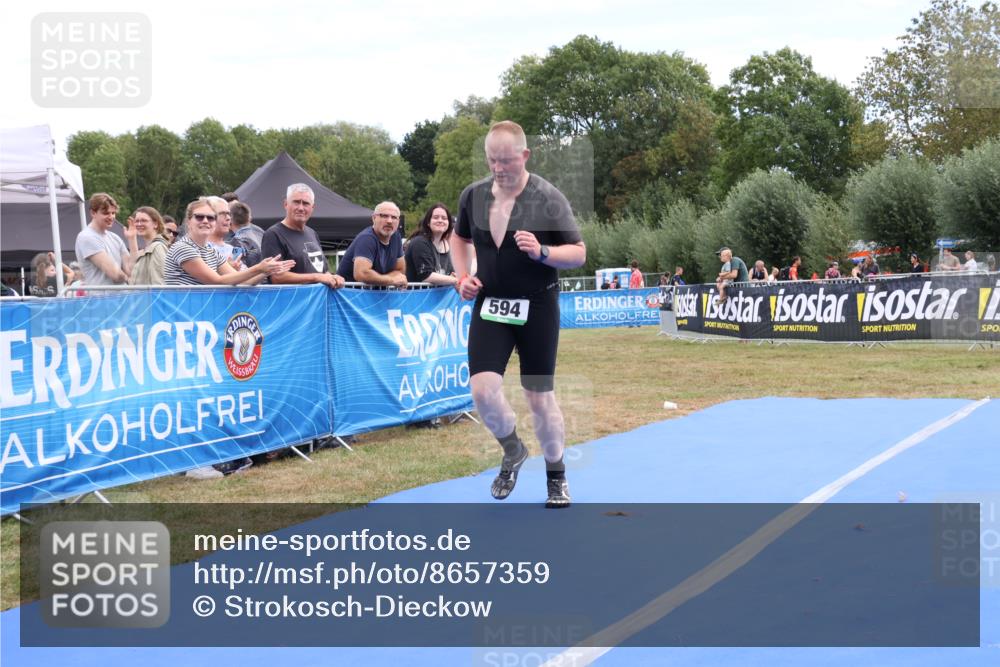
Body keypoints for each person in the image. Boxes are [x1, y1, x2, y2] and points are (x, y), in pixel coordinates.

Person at [451, 120, 586, 509]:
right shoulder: (472, 196)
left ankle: (556, 475)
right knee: (482, 390)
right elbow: (459, 240)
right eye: (492, 160)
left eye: (507, 160)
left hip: (538, 305)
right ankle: (512, 450)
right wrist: (463, 277)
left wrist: (543, 251)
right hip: (491, 303)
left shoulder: (547, 197)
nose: (499, 168)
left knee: (539, 397)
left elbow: (578, 253)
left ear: (525, 156)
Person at [164, 197, 294, 287]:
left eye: (210, 218)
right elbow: (217, 281)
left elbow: (241, 281)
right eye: (199, 217)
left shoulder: (211, 250)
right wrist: (259, 268)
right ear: (188, 222)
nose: (205, 221)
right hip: (182, 318)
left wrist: (266, 272)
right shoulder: (183, 247)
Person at [261, 184, 346, 290]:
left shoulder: (312, 233)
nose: (301, 208)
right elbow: (277, 277)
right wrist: (317, 277)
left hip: (316, 303)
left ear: (312, 208)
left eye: (305, 203)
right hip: (291, 304)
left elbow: (322, 271)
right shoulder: (273, 234)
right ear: (286, 204)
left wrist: (333, 277)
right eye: (296, 202)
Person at [336, 201, 407, 287]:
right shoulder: (367, 238)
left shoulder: (396, 236)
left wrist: (386, 279)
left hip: (373, 296)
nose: (389, 221)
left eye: (394, 217)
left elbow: (400, 270)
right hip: (349, 295)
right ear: (374, 218)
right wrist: (391, 280)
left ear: (398, 221)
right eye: (384, 216)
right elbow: (361, 274)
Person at [75, 192, 134, 286]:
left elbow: (131, 270)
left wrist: (132, 239)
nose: (111, 217)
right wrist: (130, 280)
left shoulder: (115, 238)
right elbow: (115, 274)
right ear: (93, 213)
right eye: (106, 213)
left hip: (122, 298)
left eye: (113, 213)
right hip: (102, 299)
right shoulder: (86, 237)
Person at [404, 203, 458, 286]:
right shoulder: (419, 242)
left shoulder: (446, 245)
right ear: (428, 222)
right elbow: (426, 275)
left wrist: (452, 277)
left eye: (444, 218)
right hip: (414, 296)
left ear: (448, 223)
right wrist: (455, 280)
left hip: (436, 297)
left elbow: (450, 274)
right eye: (436, 217)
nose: (440, 220)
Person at [127, 206, 170, 286]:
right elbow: (131, 271)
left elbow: (159, 283)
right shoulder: (148, 249)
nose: (139, 224)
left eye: (144, 221)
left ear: (155, 224)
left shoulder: (157, 247)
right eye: (137, 221)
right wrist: (131, 238)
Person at [230, 200, 265, 266]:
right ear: (249, 218)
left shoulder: (236, 241)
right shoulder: (260, 231)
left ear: (230, 220)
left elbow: (234, 264)